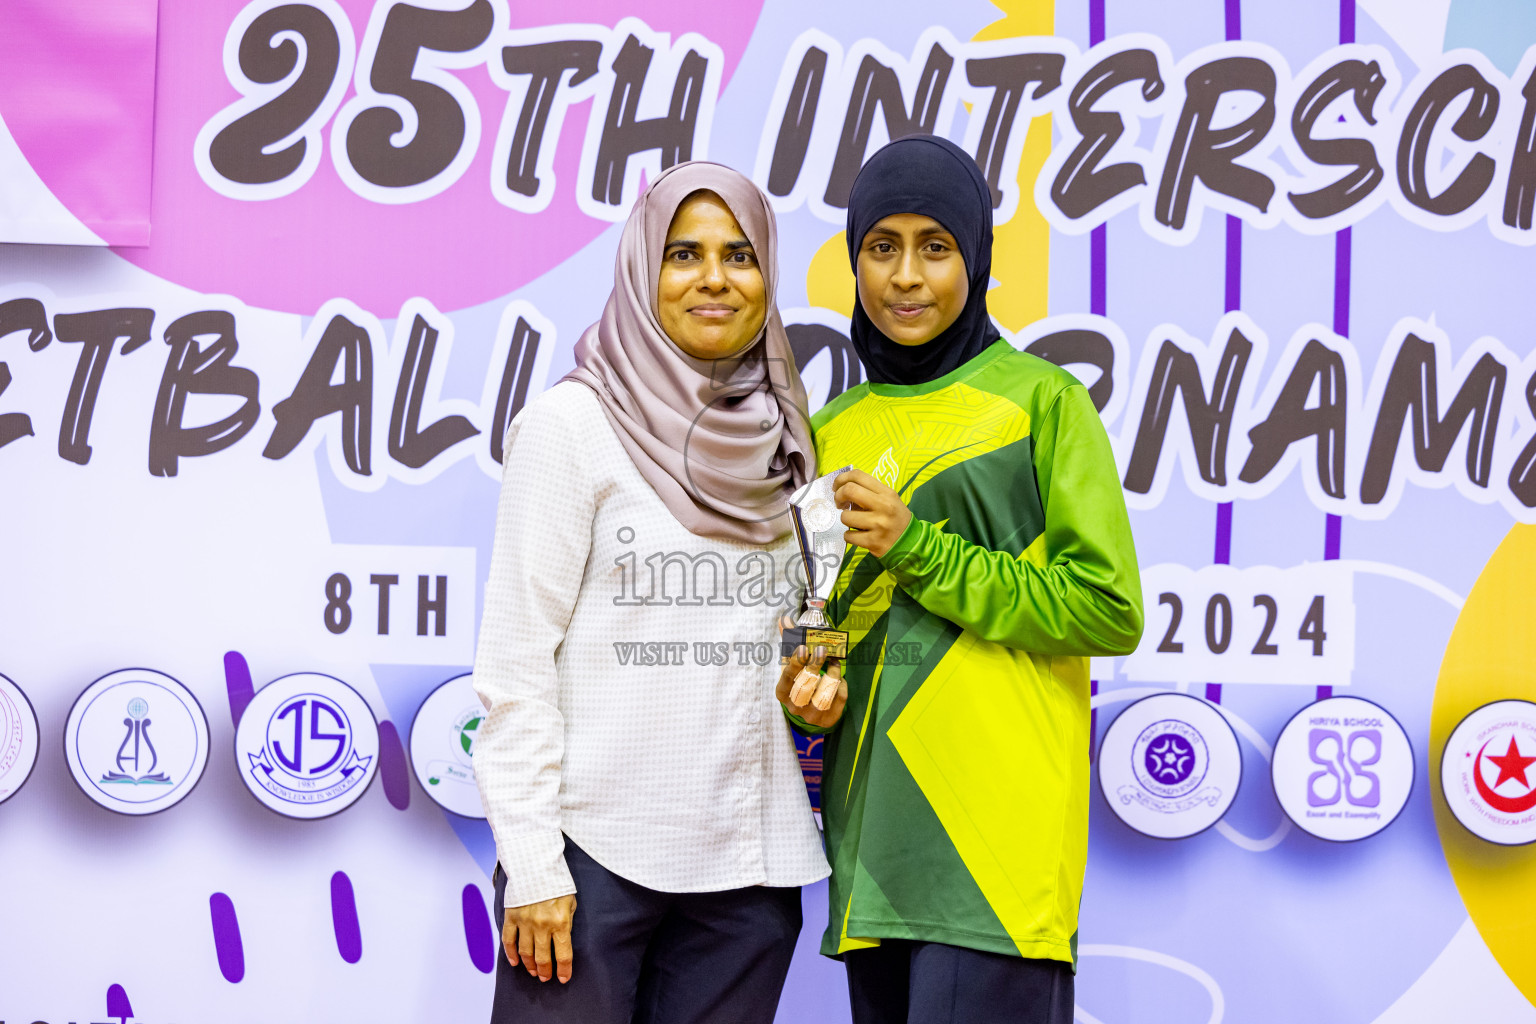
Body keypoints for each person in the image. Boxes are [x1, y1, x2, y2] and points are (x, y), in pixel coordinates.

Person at [777, 135, 1144, 1024]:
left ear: (975, 260)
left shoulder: (1042, 402)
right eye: (882, 247)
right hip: (874, 857)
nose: (907, 276)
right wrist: (804, 690)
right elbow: (815, 621)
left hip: (994, 861)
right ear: (855, 260)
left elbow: (1108, 607)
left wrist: (921, 547)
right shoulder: (830, 427)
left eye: (935, 247)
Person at [472, 161, 829, 1024]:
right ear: (642, 271)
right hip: (594, 858)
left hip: (749, 870)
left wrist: (817, 690)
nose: (714, 278)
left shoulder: (788, 440)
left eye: (739, 255)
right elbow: (517, 663)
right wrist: (532, 865)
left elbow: (807, 627)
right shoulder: (571, 428)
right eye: (683, 254)